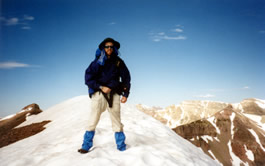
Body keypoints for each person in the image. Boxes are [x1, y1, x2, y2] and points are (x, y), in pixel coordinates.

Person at [78, 38, 131, 153]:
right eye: (107, 46)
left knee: (116, 120)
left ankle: (121, 146)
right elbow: (88, 78)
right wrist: (101, 87)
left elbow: (126, 77)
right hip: (99, 93)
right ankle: (86, 145)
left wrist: (125, 94)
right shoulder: (96, 62)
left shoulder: (118, 62)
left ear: (115, 48)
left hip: (114, 93)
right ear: (103, 48)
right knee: (93, 119)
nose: (109, 49)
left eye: (111, 47)